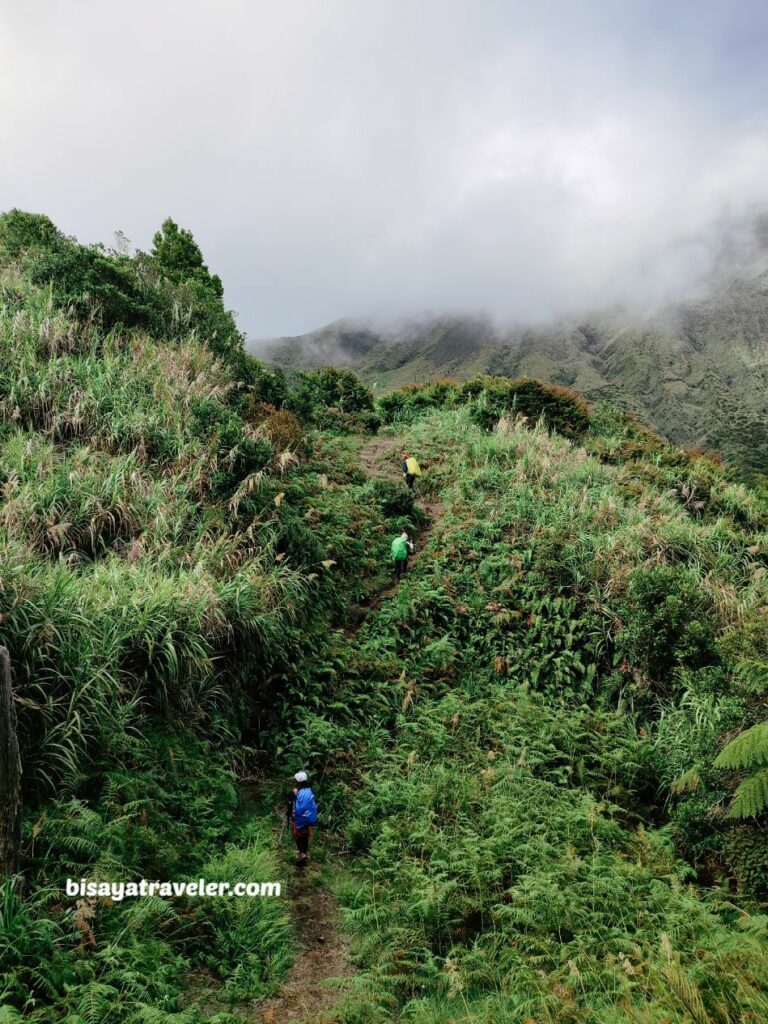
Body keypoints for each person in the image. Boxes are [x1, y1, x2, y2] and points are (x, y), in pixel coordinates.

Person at [285, 771, 318, 866]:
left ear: (297, 781)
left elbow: (290, 805)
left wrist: (289, 816)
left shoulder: (295, 792)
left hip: (299, 818)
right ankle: (305, 852)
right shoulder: (311, 790)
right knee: (305, 834)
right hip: (309, 818)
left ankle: (302, 853)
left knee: (297, 835)